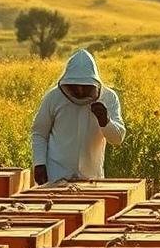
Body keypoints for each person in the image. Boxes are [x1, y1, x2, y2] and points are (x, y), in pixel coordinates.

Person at [31, 49, 125, 184]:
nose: (80, 91)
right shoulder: (54, 97)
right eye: (75, 86)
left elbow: (117, 139)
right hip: (56, 175)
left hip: (91, 178)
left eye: (85, 87)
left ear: (94, 82)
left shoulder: (109, 98)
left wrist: (105, 121)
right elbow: (39, 133)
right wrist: (39, 164)